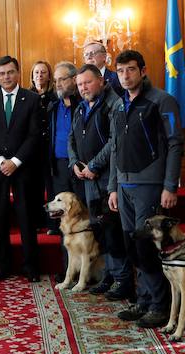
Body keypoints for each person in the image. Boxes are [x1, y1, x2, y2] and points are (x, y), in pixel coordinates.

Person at [107, 50, 184, 329]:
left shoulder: (161, 101)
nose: (125, 76)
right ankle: (144, 298)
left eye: (130, 70)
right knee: (132, 244)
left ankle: (159, 305)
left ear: (143, 70)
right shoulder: (117, 105)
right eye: (120, 71)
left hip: (150, 185)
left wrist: (169, 185)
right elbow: (115, 148)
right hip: (123, 186)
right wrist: (113, 187)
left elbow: (176, 144)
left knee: (146, 246)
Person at [68, 64, 131, 299]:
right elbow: (71, 138)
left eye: (88, 82)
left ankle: (123, 280)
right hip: (86, 180)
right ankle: (110, 275)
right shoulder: (81, 107)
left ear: (101, 81)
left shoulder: (113, 105)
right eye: (80, 84)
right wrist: (74, 161)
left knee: (113, 232)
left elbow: (115, 142)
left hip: (107, 180)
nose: (84, 87)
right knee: (100, 231)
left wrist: (94, 165)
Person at [0, 56, 42, 282]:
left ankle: (31, 266)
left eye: (11, 72)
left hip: (22, 169)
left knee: (26, 218)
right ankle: (1, 266)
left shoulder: (32, 100)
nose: (7, 77)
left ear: (18, 72)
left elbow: (34, 135)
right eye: (2, 73)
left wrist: (15, 161)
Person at [47, 62, 84, 282]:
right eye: (56, 81)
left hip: (80, 166)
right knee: (64, 219)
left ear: (73, 79)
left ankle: (88, 269)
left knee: (83, 216)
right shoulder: (53, 106)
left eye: (62, 79)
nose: (58, 84)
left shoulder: (84, 103)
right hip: (58, 167)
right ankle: (68, 269)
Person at [28, 60, 55, 233]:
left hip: (50, 147)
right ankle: (36, 221)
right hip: (32, 149)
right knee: (34, 187)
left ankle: (52, 223)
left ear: (49, 75)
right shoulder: (26, 96)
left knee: (51, 186)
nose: (39, 75)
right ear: (32, 76)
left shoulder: (55, 96)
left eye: (43, 72)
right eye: (36, 72)